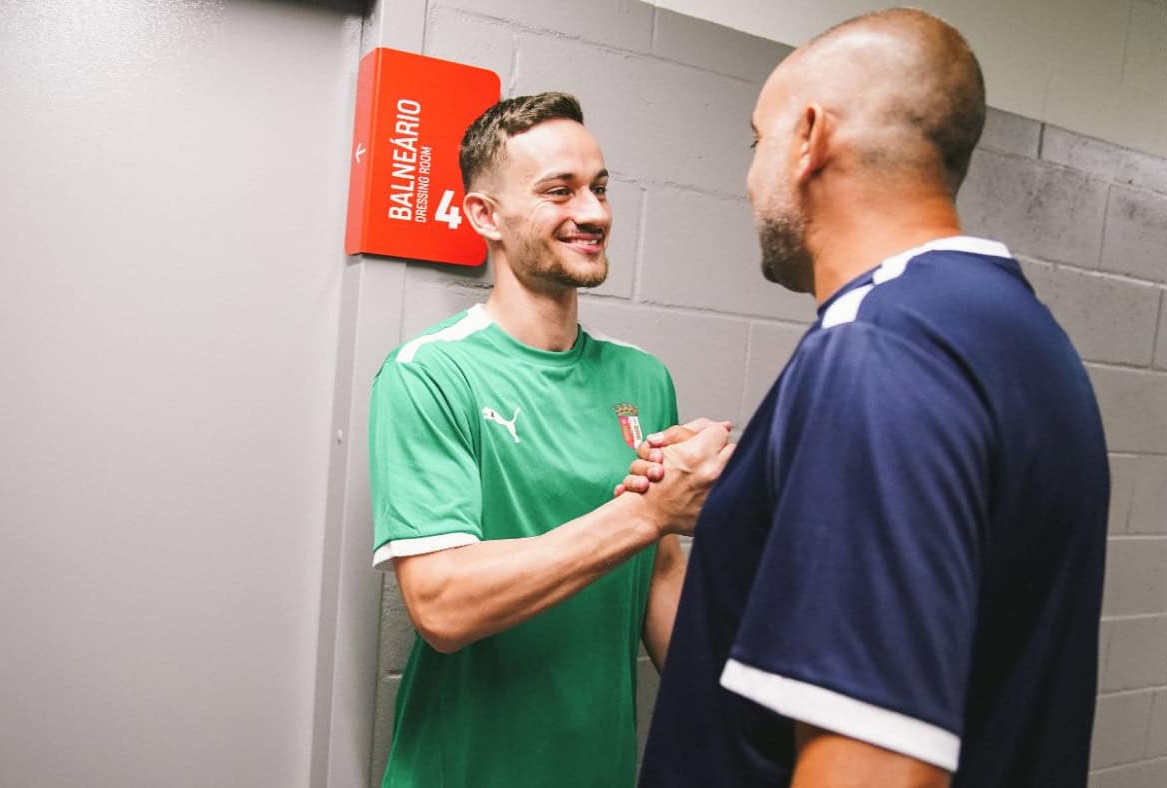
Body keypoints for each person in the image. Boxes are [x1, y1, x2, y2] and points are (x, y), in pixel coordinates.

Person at [628, 8, 1110, 787]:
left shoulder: (874, 346)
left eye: (758, 143)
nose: (751, 179)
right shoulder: (1019, 334)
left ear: (810, 138)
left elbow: (876, 763)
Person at [368, 92, 733, 787]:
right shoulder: (430, 373)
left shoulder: (643, 378)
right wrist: (648, 511)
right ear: (486, 216)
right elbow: (442, 605)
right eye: (558, 191)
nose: (593, 213)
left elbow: (656, 571)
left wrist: (742, 723)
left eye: (598, 188)